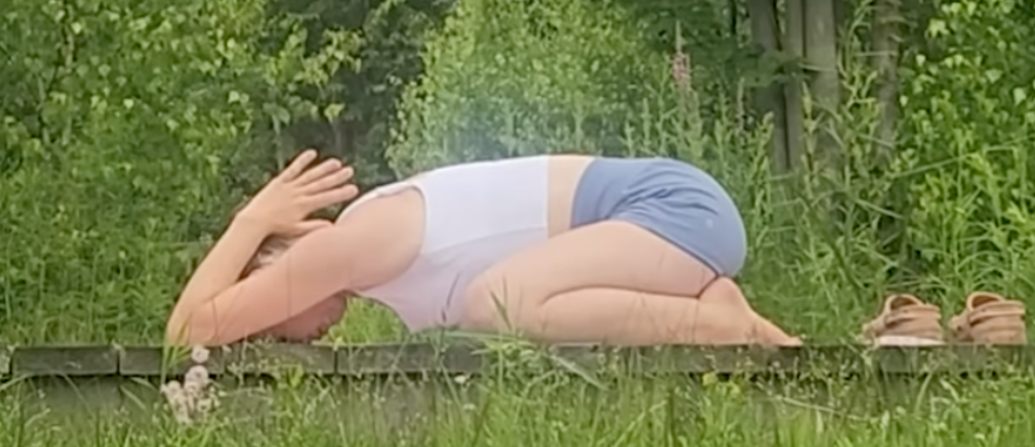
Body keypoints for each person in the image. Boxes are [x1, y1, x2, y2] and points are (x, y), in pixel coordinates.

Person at [166, 149, 800, 349]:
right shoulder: (371, 268)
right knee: (493, 304)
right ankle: (742, 325)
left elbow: (188, 331)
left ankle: (720, 323)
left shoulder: (343, 245)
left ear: (282, 263)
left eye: (274, 327)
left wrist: (249, 221)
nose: (291, 339)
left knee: (492, 303)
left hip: (670, 210)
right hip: (660, 231)